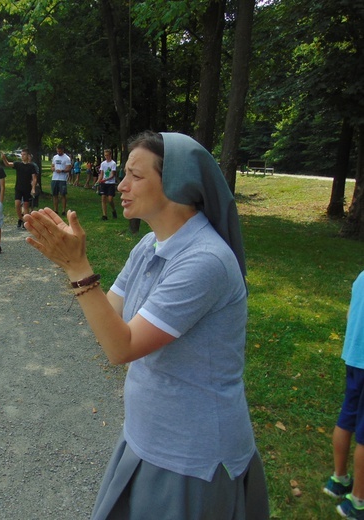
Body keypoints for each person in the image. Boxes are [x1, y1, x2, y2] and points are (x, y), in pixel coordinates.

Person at [23, 131, 269, 520]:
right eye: (124, 174)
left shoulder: (204, 261)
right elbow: (113, 318)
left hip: (192, 457)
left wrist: (78, 268)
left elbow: (121, 348)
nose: (121, 185)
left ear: (176, 184)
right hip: (149, 435)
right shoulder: (151, 245)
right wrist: (69, 263)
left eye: (135, 176)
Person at [324, 270, 364, 519]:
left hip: (353, 359)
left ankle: (338, 480)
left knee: (347, 418)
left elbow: (351, 314)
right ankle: (358, 501)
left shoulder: (361, 276)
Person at [2, 148, 38, 229]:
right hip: (18, 187)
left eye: (24, 154)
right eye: (21, 154)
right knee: (17, 204)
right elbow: (8, 164)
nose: (22, 156)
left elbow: (34, 178)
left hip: (27, 188)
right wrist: (4, 158)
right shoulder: (18, 164)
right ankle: (20, 219)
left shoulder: (32, 166)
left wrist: (33, 188)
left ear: (28, 155)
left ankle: (25, 222)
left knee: (25, 205)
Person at [98, 149, 118, 220]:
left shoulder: (113, 163)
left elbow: (112, 175)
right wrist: (99, 180)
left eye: (107, 155)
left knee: (110, 199)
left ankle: (113, 210)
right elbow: (101, 174)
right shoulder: (103, 163)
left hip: (111, 183)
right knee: (103, 198)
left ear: (110, 155)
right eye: (105, 155)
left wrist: (105, 179)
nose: (106, 157)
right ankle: (104, 215)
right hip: (104, 183)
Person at [51, 144, 71, 216]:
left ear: (63, 150)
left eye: (59, 151)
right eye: (57, 151)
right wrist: (53, 169)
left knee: (63, 194)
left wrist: (62, 170)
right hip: (54, 178)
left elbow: (69, 168)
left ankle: (63, 210)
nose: (58, 152)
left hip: (62, 179)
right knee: (54, 194)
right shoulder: (55, 157)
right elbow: (52, 166)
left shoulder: (67, 158)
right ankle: (55, 210)